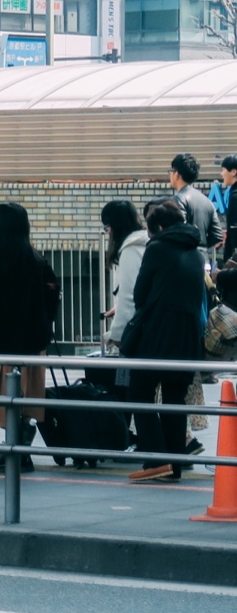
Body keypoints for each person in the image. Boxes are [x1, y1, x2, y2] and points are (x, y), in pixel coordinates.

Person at [123, 197, 204, 481]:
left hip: (158, 333)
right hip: (188, 335)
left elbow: (140, 294)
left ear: (156, 226)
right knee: (174, 398)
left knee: (139, 393)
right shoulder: (197, 252)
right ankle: (175, 465)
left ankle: (156, 460)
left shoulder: (156, 247)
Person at [0, 203, 58, 472]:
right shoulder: (37, 261)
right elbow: (52, 300)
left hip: (3, 346)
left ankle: (15, 454)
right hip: (33, 345)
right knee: (25, 402)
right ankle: (22, 451)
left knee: (7, 400)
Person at [102, 199, 148, 357]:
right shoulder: (143, 243)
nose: (107, 232)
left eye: (107, 227)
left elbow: (130, 295)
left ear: (114, 226)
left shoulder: (131, 249)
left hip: (138, 330)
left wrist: (117, 334)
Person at [169, 153, 223, 269]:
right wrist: (202, 246)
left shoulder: (178, 199)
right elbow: (218, 235)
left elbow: (179, 231)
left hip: (183, 260)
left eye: (171, 171)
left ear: (177, 174)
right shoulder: (207, 201)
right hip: (203, 259)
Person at [216, 157, 237, 264]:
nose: (222, 174)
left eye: (224, 170)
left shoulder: (235, 196)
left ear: (233, 172)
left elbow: (234, 232)